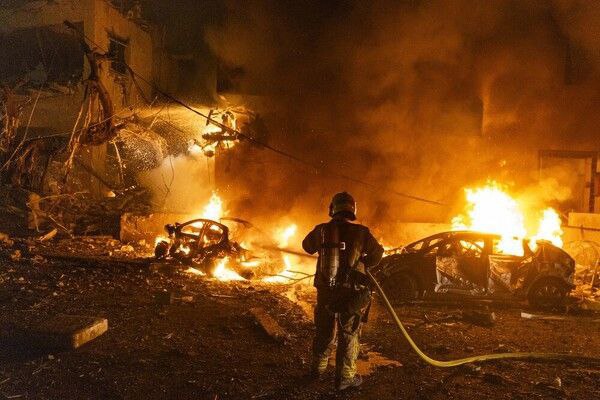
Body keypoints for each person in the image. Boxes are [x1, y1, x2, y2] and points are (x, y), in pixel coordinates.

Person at [302, 192, 384, 391]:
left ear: (333, 209)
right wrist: (362, 262)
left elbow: (307, 246)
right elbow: (378, 254)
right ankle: (345, 378)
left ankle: (317, 369)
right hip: (351, 293)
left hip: (326, 291)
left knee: (324, 330)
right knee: (348, 333)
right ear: (352, 210)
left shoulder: (322, 230)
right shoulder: (362, 232)